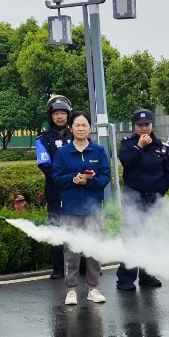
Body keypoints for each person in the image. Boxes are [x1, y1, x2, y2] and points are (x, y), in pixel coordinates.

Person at [51, 111, 111, 306]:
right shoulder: (63, 153)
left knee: (94, 249)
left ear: (90, 128)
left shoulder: (98, 151)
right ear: (71, 128)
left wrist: (89, 181)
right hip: (70, 209)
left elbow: (105, 177)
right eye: (77, 125)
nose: (81, 128)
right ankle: (71, 290)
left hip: (94, 210)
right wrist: (73, 179)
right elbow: (56, 177)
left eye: (84, 125)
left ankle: (94, 288)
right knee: (71, 252)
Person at [116, 109, 169, 291]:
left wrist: (159, 192)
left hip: (153, 197)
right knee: (132, 236)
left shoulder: (162, 146)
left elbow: (168, 172)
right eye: (140, 125)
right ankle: (125, 278)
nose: (143, 128)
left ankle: (147, 275)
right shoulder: (128, 143)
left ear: (151, 125)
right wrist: (139, 146)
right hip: (133, 197)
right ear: (134, 126)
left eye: (146, 125)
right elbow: (126, 162)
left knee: (150, 235)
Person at [35, 96, 73, 279]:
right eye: (56, 113)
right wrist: (65, 179)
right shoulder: (43, 139)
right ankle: (58, 268)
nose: (59, 116)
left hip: (76, 191)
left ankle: (82, 266)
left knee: (79, 226)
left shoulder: (76, 135)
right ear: (50, 116)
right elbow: (44, 164)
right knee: (55, 227)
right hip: (55, 190)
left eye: (63, 113)